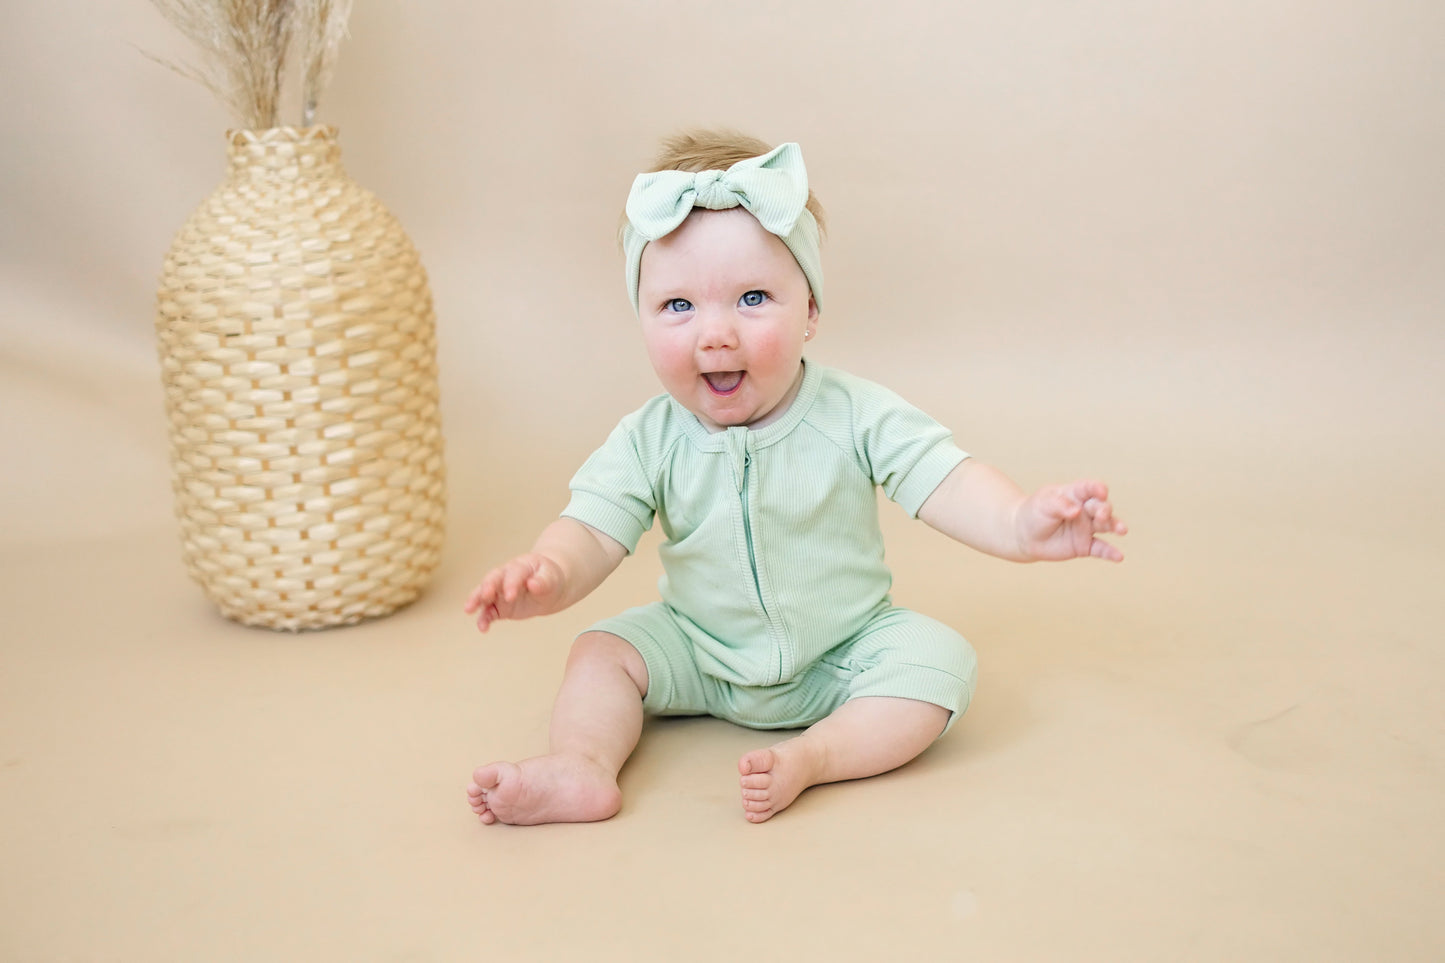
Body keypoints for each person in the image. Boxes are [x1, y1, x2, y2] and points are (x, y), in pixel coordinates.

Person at [464, 131, 1127, 825]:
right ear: (642, 318)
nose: (715, 334)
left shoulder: (854, 413)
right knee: (601, 651)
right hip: (699, 649)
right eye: (678, 306)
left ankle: (818, 754)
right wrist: (549, 571)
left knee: (940, 661)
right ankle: (581, 764)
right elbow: (592, 529)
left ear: (809, 311)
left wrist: (1018, 523)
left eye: (752, 297)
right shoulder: (647, 437)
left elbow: (946, 479)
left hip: (841, 651)